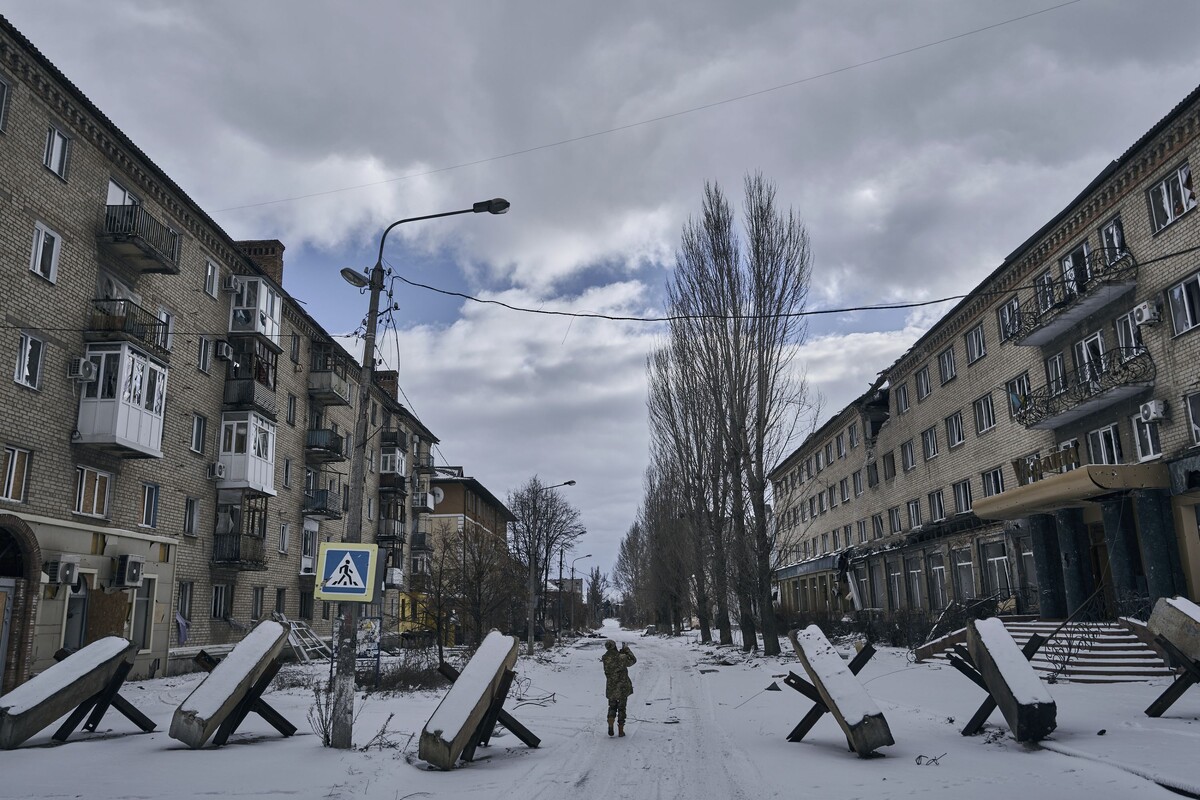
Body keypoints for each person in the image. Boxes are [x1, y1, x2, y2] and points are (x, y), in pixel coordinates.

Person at [601, 640, 636, 737]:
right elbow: (633, 660)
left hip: (611, 687)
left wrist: (621, 654)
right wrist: (626, 650)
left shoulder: (605, 658)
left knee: (612, 707)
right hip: (622, 687)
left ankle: (610, 722)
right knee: (621, 708)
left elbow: (613, 661)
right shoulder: (622, 657)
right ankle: (621, 730)